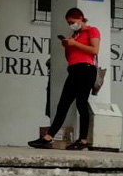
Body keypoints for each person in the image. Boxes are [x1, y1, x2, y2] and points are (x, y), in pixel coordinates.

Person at [28, 8, 100, 151]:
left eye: (72, 22)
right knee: (63, 104)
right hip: (73, 70)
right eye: (69, 23)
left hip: (86, 69)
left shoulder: (92, 31)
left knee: (81, 103)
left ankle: (83, 140)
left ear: (80, 18)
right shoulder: (74, 36)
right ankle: (48, 137)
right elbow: (70, 58)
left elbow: (94, 50)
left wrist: (75, 44)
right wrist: (67, 47)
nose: (71, 25)